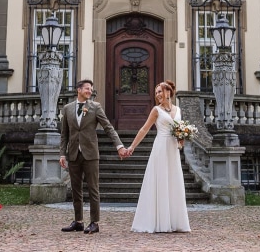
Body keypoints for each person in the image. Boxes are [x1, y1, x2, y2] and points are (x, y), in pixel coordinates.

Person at [59, 78, 128, 235]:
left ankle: (94, 223)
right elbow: (64, 134)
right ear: (79, 90)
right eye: (87, 89)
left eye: (91, 89)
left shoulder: (95, 107)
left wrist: (119, 146)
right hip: (74, 154)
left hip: (91, 154)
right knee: (76, 190)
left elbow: (108, 127)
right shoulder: (68, 109)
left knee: (93, 189)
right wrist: (62, 154)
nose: (90, 91)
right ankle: (78, 222)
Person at [127, 80, 191, 233]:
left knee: (173, 182)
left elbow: (179, 132)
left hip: (173, 150)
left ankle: (175, 221)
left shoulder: (178, 110)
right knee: (160, 181)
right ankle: (158, 221)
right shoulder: (156, 110)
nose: (158, 95)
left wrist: (181, 140)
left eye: (160, 91)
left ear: (168, 92)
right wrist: (132, 147)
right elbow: (144, 129)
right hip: (160, 148)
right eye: (156, 93)